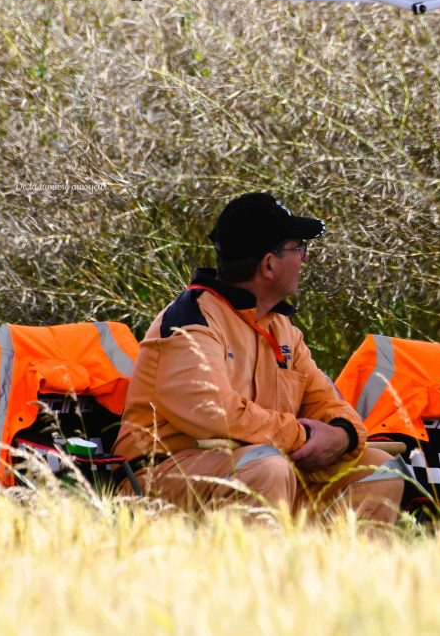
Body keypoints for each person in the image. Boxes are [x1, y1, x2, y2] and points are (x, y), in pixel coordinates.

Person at [113, 192, 405, 522]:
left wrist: (342, 435)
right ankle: (257, 572)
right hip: (156, 484)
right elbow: (217, 414)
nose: (304, 260)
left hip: (264, 469)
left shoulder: (284, 329)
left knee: (379, 468)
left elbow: (328, 402)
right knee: (266, 466)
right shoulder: (190, 319)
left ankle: (333, 573)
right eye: (299, 249)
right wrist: (304, 438)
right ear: (268, 264)